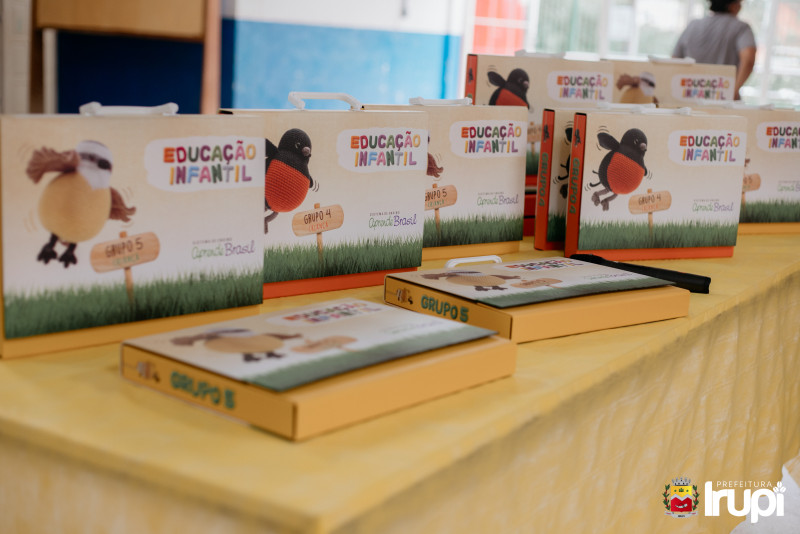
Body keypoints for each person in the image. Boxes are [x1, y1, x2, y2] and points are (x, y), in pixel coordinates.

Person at [672, 0, 756, 99]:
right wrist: (733, 92)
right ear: (732, 6)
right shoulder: (741, 27)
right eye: (740, 3)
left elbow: (675, 60)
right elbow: (748, 60)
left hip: (690, 96)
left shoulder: (693, 25)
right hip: (723, 98)